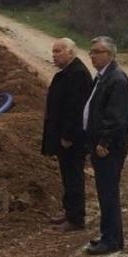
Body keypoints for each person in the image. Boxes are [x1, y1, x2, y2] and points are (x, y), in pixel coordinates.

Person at [83, 36, 128, 255]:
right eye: (91, 51)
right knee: (104, 192)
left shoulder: (117, 80)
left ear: (110, 54)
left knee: (108, 192)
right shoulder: (103, 77)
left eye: (97, 52)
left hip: (109, 148)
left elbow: (116, 118)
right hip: (99, 144)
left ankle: (112, 240)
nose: (92, 55)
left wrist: (104, 141)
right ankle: (107, 235)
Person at [41, 38, 93, 232]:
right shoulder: (68, 73)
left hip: (72, 140)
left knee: (73, 176)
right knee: (67, 175)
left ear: (71, 52)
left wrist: (68, 136)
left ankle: (75, 218)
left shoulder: (77, 75)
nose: (54, 55)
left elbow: (76, 109)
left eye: (58, 51)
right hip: (65, 137)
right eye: (53, 51)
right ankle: (69, 211)